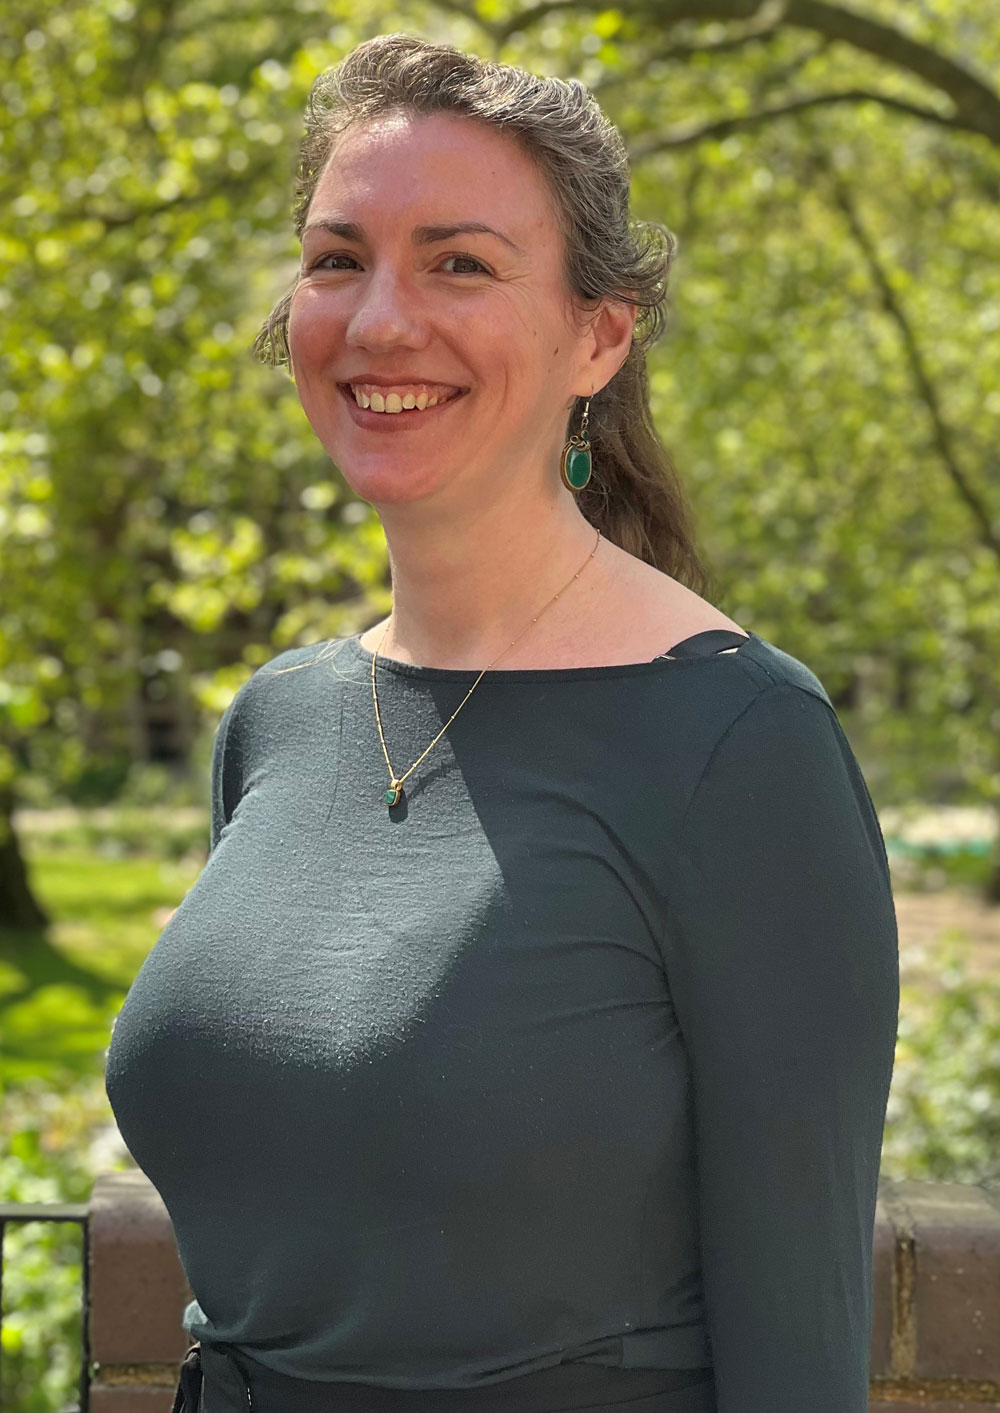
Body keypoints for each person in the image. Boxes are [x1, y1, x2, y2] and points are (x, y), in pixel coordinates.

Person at [104, 32, 900, 1413]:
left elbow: (799, 1346)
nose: (378, 321)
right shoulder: (276, 723)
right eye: (339, 258)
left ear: (600, 335)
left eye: (459, 262)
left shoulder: (739, 746)